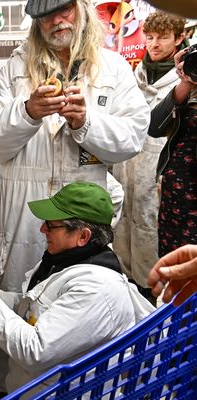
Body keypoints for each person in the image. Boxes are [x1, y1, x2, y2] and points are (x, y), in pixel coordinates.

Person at [0, 0, 150, 291]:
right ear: (36, 22)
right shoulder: (16, 67)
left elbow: (133, 137)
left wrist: (85, 123)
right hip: (24, 214)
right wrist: (27, 112)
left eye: (63, 10)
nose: (57, 21)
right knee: (18, 302)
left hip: (81, 220)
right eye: (46, 15)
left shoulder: (112, 68)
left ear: (81, 8)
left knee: (77, 306)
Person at [0, 182, 154, 398]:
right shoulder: (65, 261)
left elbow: (34, 348)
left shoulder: (97, 290)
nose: (42, 229)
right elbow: (36, 311)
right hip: (30, 386)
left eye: (51, 225)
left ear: (82, 236)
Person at [112, 11, 187, 304]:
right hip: (127, 170)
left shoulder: (184, 80)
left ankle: (149, 303)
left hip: (158, 176)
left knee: (150, 237)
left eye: (163, 38)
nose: (154, 45)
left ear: (179, 38)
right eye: (151, 37)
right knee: (124, 234)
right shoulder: (134, 75)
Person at [148, 46, 197, 260]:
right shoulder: (189, 90)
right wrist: (185, 82)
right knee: (174, 259)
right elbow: (154, 127)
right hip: (177, 196)